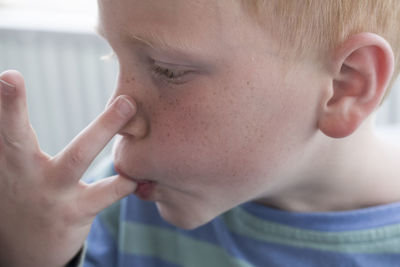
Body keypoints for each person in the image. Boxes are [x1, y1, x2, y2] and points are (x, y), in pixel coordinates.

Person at [1, 0, 400, 266]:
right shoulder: (114, 205)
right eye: (114, 57)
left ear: (346, 86)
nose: (118, 117)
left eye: (169, 71)